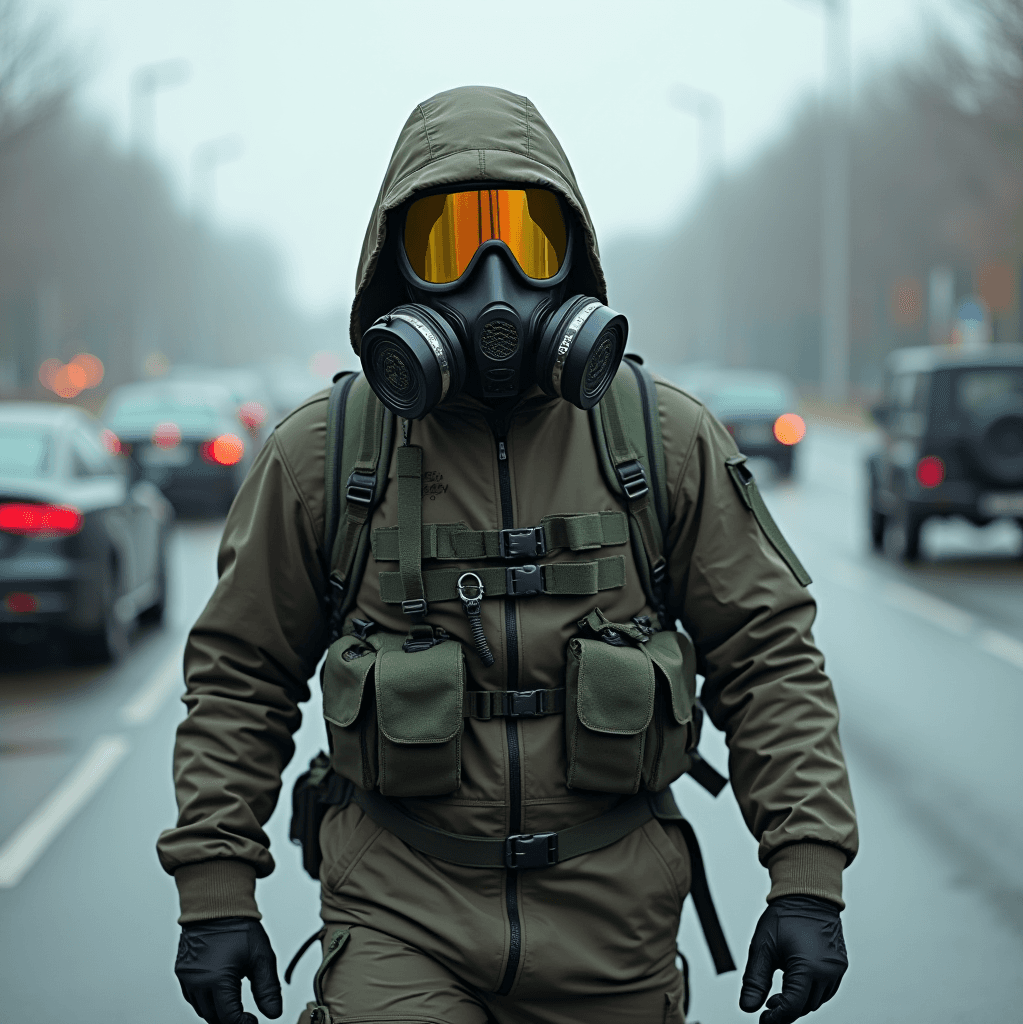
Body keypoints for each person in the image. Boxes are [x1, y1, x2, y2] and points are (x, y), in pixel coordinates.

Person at [161, 85, 857, 1024]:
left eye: (526, 240)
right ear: (396, 267)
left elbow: (768, 659)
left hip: (615, 923)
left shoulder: (663, 442)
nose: (494, 280)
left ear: (574, 254)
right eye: (449, 243)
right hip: (399, 909)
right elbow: (241, 674)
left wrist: (806, 875)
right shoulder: (326, 454)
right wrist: (215, 889)